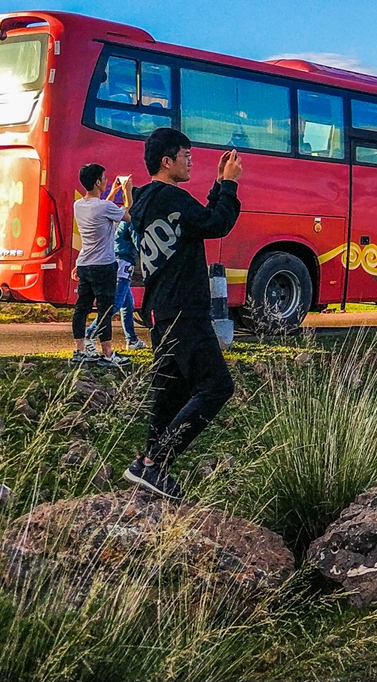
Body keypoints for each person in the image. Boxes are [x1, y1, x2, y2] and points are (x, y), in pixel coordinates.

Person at [124, 128, 241, 500]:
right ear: (166, 161)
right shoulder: (171, 198)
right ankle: (157, 462)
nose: (191, 160)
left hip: (161, 312)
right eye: (186, 155)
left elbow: (197, 220)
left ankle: (144, 464)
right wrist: (230, 186)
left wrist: (218, 183)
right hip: (184, 311)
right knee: (217, 386)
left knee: (171, 393)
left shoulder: (149, 202)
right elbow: (216, 224)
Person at [72, 164, 130, 368]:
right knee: (105, 310)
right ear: (97, 182)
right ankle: (107, 353)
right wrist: (126, 192)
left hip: (84, 264)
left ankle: (79, 350)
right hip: (104, 265)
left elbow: (99, 207)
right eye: (104, 179)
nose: (106, 181)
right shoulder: (105, 207)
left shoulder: (79, 205)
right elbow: (129, 216)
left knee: (82, 308)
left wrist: (112, 191)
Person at [114, 218, 146, 350]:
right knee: (115, 305)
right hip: (125, 262)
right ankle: (89, 335)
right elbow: (138, 243)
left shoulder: (119, 219)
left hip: (118, 260)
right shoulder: (131, 220)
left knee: (127, 305)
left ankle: (132, 340)